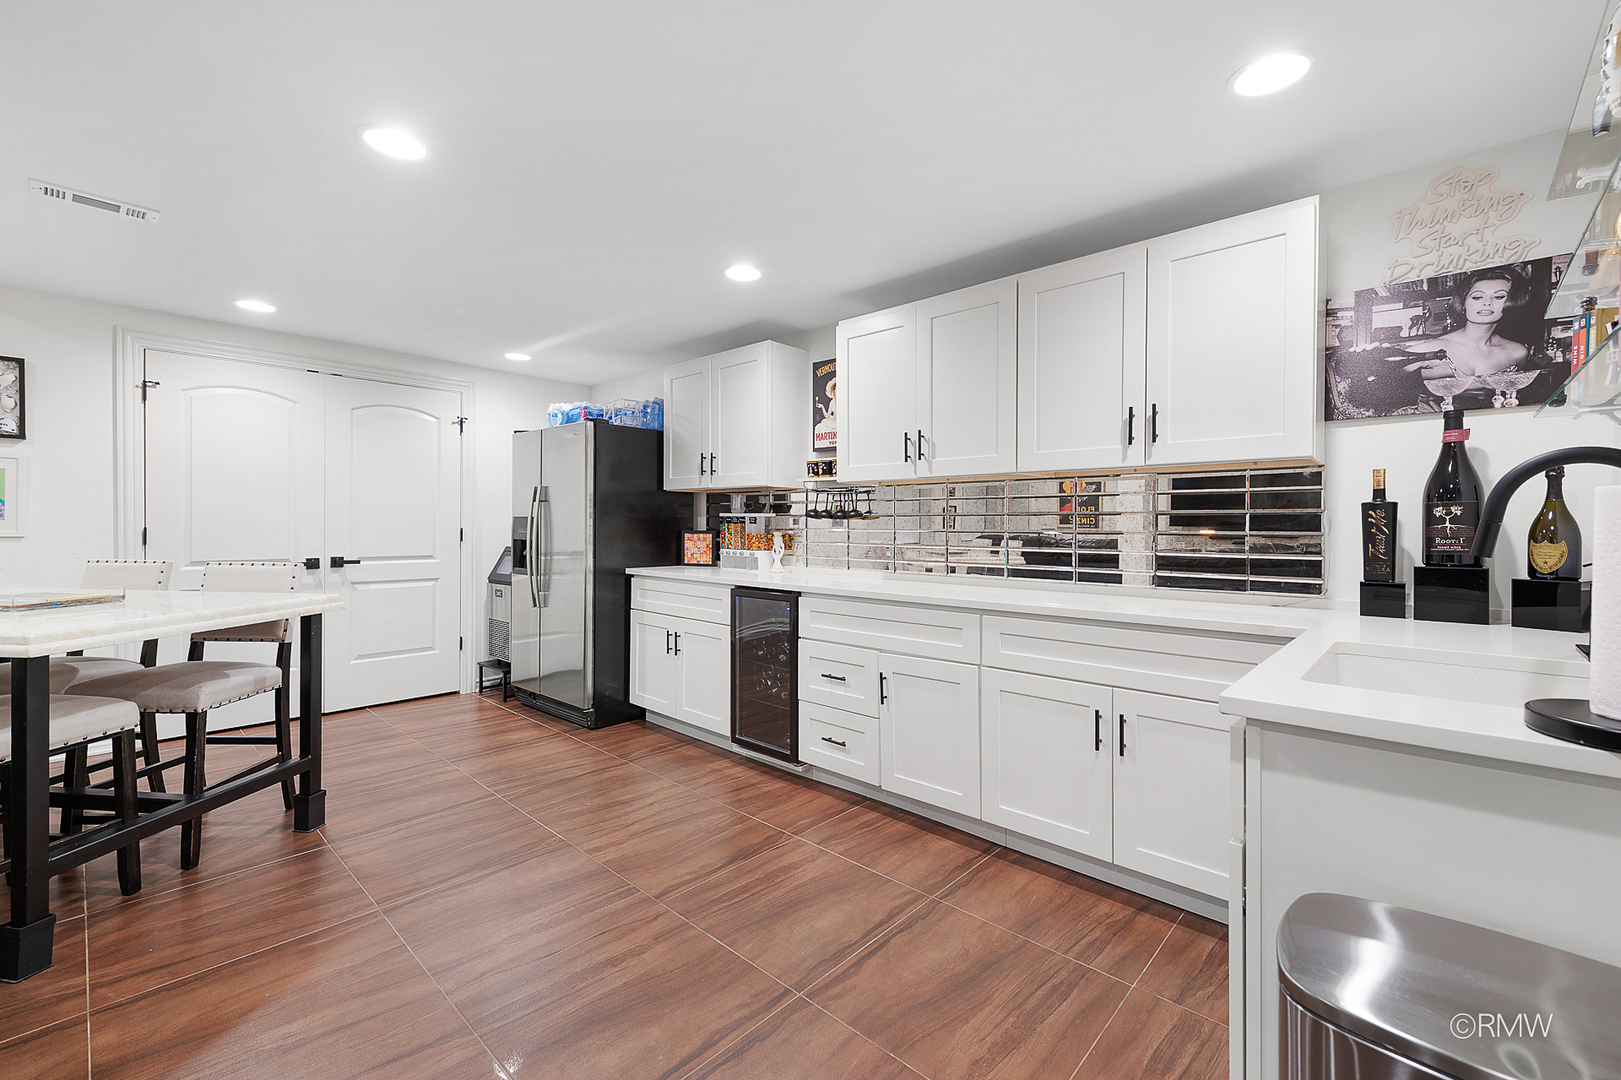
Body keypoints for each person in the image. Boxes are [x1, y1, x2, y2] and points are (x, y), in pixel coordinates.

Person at [1399, 267, 1532, 382]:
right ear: (1463, 302)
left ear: (1512, 302)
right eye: (1477, 297)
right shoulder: (1428, 349)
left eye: (1498, 297)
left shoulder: (1518, 353)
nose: (1487, 303)